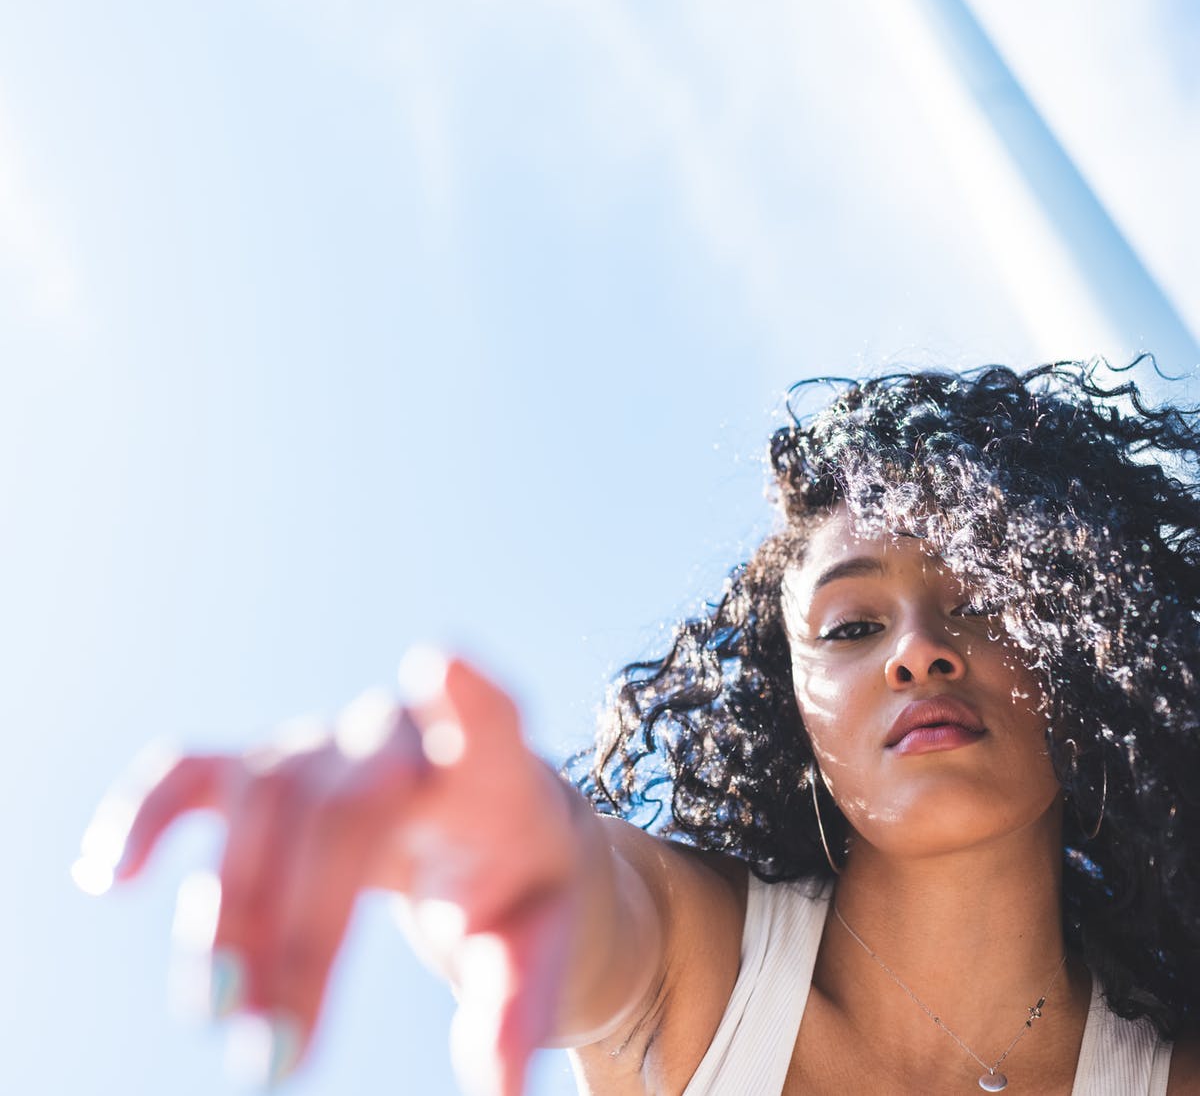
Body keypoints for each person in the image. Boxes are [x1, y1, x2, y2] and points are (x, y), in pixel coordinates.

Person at [75, 362, 1200, 1095]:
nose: (915, 648)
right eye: (852, 625)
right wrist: (485, 855)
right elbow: (590, 908)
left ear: (1094, 646)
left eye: (982, 602)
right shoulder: (705, 978)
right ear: (791, 711)